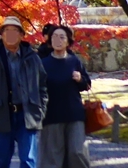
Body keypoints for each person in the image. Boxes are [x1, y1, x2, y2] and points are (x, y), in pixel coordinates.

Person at [0, 16, 49, 168]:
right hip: (1, 113)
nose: (10, 34)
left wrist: (41, 109)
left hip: (27, 113)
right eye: (6, 30)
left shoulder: (32, 58)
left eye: (14, 30)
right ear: (1, 34)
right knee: (2, 160)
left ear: (21, 35)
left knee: (29, 160)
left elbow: (42, 85)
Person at [39, 25, 91, 168]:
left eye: (62, 37)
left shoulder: (74, 61)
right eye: (54, 36)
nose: (58, 40)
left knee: (77, 152)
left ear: (68, 42)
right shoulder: (43, 64)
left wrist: (80, 79)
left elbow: (86, 85)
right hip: (51, 116)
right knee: (53, 158)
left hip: (74, 114)